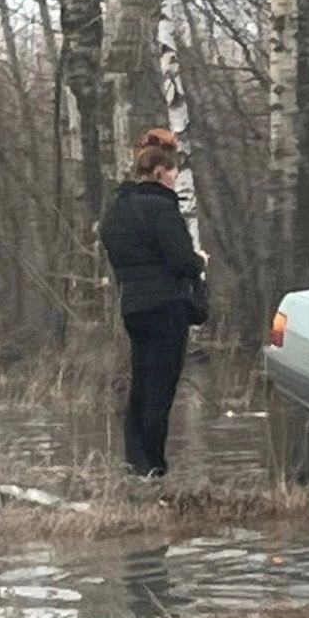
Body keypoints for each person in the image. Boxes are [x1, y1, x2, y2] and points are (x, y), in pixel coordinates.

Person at [100, 131, 206, 477]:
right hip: (166, 307)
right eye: (173, 172)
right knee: (161, 389)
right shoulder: (162, 208)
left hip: (133, 306)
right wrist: (200, 261)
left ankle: (135, 463)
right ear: (160, 172)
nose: (175, 178)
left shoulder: (117, 211)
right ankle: (154, 468)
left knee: (141, 386)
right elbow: (181, 263)